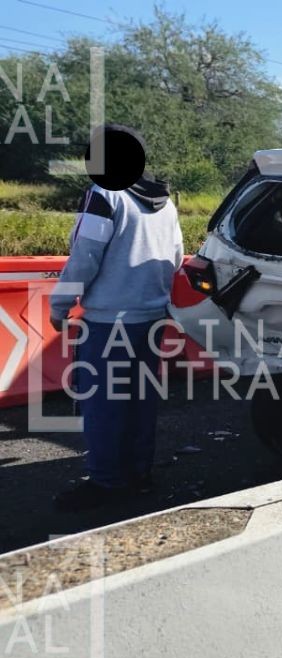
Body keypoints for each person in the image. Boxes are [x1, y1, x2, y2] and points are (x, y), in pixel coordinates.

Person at [50, 125, 184, 511]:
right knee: (140, 400)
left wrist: (60, 305)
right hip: (152, 317)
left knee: (104, 404)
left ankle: (107, 482)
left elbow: (85, 256)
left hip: (109, 320)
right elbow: (176, 257)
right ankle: (139, 475)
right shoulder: (165, 202)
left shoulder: (105, 195)